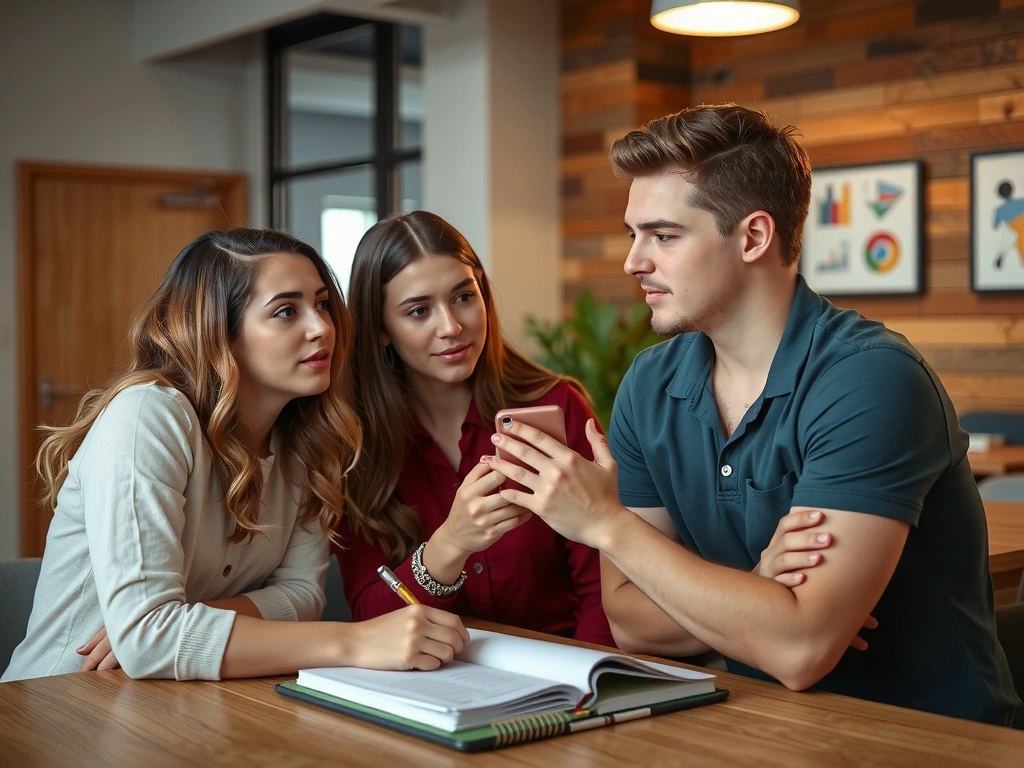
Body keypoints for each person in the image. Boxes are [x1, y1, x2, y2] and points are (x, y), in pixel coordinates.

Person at [488, 105, 1022, 726]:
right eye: (633, 234)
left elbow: (800, 649)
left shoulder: (872, 378)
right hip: (761, 731)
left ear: (753, 237)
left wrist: (605, 524)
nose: (633, 261)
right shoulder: (648, 385)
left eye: (663, 236)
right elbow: (630, 619)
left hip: (933, 742)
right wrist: (759, 588)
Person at [2, 228, 467, 682]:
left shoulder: (308, 442)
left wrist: (185, 621)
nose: (321, 327)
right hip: (61, 699)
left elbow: (302, 597)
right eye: (286, 311)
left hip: (181, 702)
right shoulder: (148, 416)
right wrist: (357, 642)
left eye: (323, 304)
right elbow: (149, 640)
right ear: (218, 331)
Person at [334, 211, 615, 645]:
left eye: (464, 296)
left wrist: (582, 677)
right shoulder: (354, 443)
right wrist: (450, 544)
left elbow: (604, 593)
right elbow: (369, 618)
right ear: (381, 329)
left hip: (565, 670)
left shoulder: (557, 407)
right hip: (433, 676)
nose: (451, 327)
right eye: (418, 311)